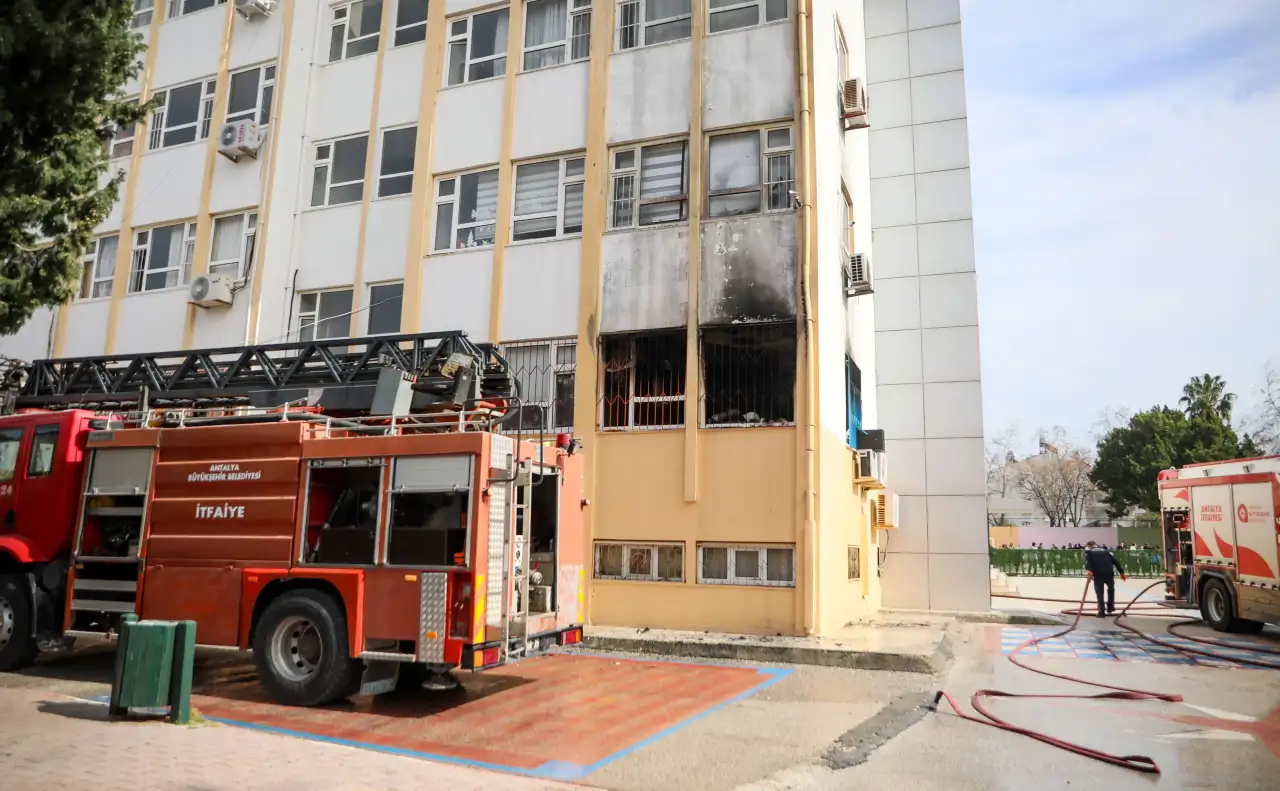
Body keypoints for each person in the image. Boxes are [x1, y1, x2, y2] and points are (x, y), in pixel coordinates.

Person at [1084, 540, 1127, 616]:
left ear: (1089, 546)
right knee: (1111, 590)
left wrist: (1089, 570)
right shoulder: (1106, 551)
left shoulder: (1089, 552)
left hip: (1098, 575)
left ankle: (1102, 612)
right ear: (1096, 544)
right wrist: (1122, 572)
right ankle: (1110, 607)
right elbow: (1115, 561)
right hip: (1109, 573)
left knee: (1100, 593)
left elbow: (1088, 562)